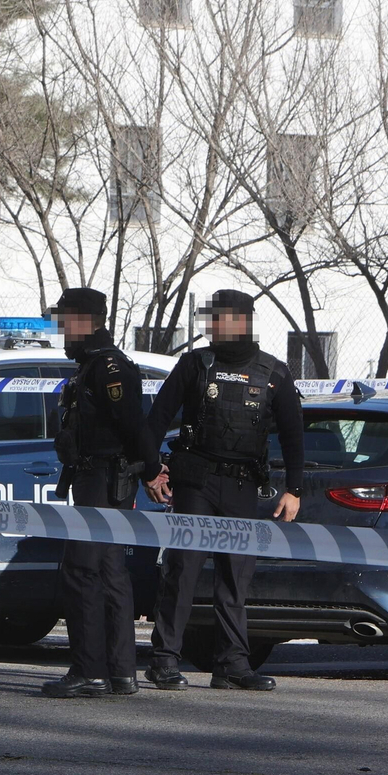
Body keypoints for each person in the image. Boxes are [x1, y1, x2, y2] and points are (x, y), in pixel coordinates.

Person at [141, 289, 304, 691]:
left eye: (222, 318)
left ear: (244, 321)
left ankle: (231, 664)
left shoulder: (274, 372)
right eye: (212, 319)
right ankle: (164, 660)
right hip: (194, 480)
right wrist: (150, 471)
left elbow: (293, 434)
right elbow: (157, 419)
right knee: (183, 569)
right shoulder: (195, 364)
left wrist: (293, 489)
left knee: (236, 576)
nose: (214, 326)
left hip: (243, 483)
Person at [39, 288, 162, 699]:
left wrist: (152, 470)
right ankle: (120, 672)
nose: (59, 328)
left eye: (63, 319)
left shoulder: (109, 367)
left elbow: (133, 424)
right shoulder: (91, 365)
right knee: (109, 572)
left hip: (104, 479)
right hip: (98, 478)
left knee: (82, 571)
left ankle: (90, 671)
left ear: (84, 320)